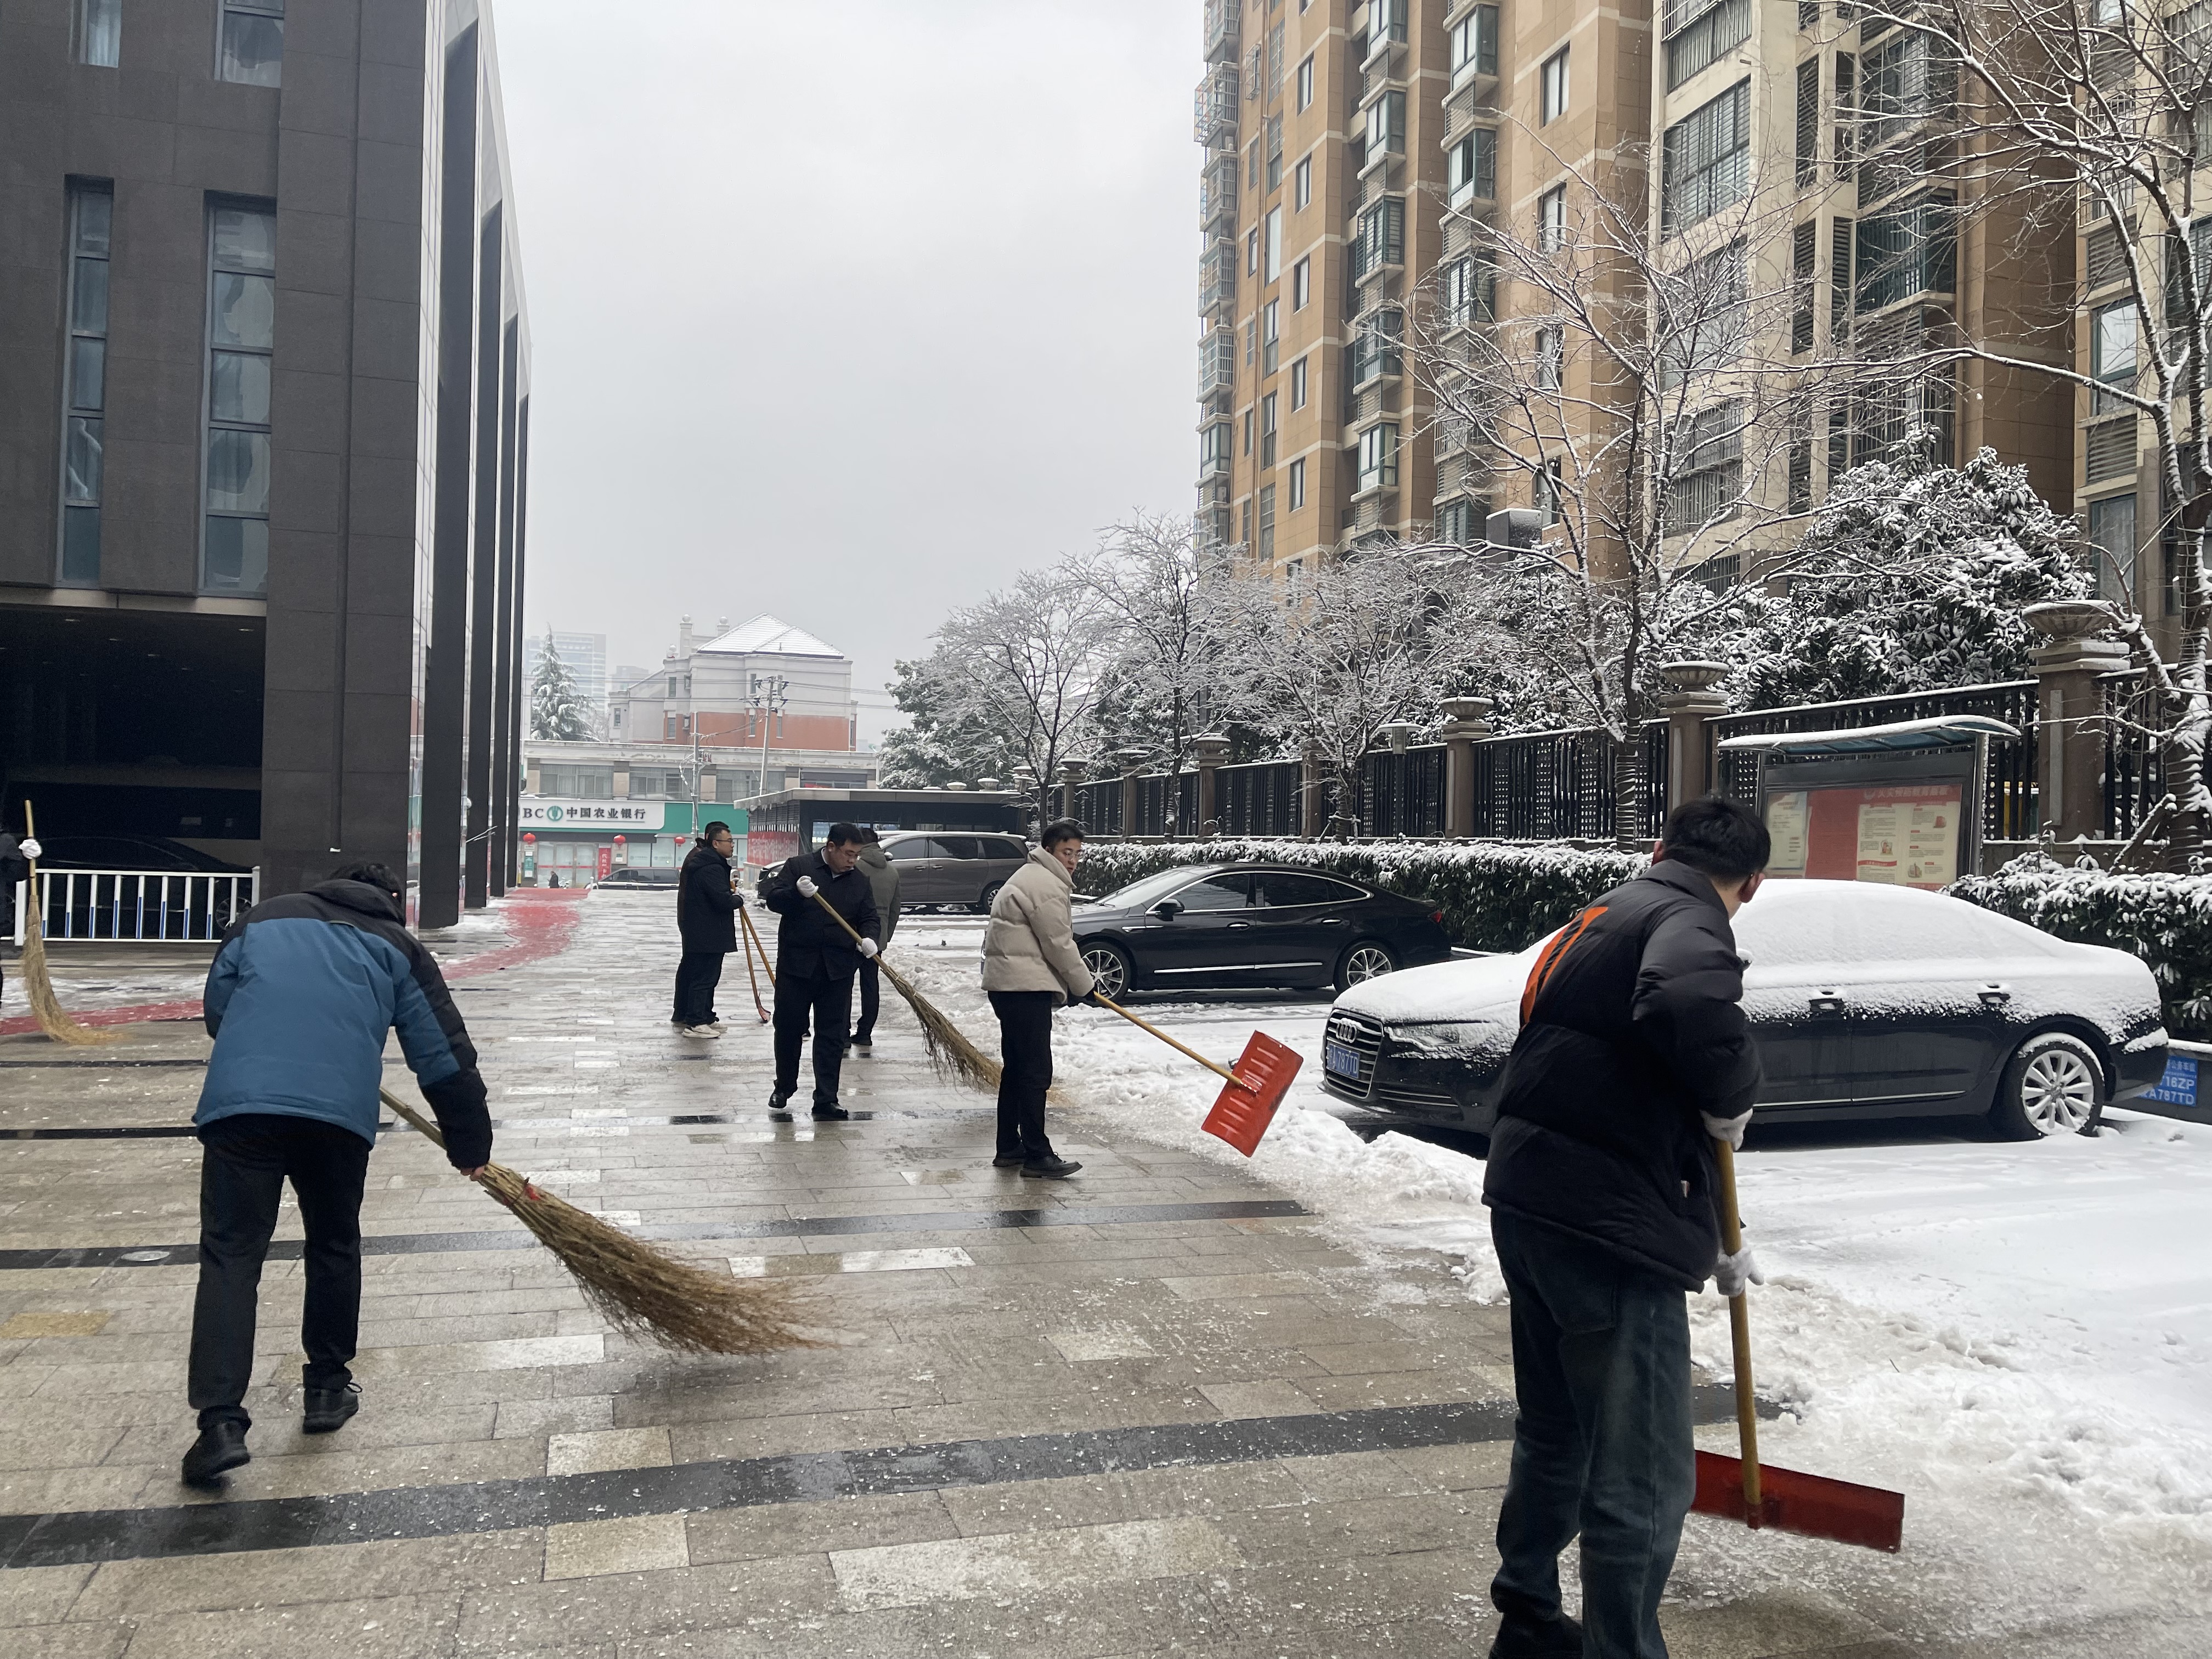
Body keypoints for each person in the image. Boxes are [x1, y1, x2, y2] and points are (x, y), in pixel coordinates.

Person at [1479, 795, 1768, 1659]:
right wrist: (1731, 1095)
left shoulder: (1606, 912)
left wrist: (1712, 1220)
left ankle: (1529, 1614)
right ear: (1753, 884)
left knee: (1558, 1427)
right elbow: (1684, 998)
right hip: (1603, 1227)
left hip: (1530, 1196)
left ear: (1659, 848)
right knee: (1642, 1473)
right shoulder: (1692, 917)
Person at [181, 859, 491, 1487]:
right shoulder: (397, 946)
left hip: (242, 1111)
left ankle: (219, 1425)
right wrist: (469, 1143)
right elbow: (441, 1054)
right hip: (336, 1120)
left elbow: (218, 1009)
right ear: (393, 899)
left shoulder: (260, 921)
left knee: (231, 1255)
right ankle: (326, 1389)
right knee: (332, 1243)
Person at [979, 819, 1098, 1179]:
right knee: (1035, 1071)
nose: (1073, 860)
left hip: (1010, 987)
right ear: (1049, 850)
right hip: (1023, 988)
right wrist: (1084, 985)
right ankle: (1037, 1155)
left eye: (1077, 853)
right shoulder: (1045, 884)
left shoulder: (1030, 876)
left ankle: (1009, 1146)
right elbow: (1058, 942)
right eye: (1066, 852)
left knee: (1017, 1069)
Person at [758, 822, 879, 1119]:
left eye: (857, 855)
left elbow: (869, 916)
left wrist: (870, 938)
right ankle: (784, 1086)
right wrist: (796, 894)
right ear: (831, 847)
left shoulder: (859, 881)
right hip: (797, 967)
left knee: (832, 1035)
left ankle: (826, 1098)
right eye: (848, 854)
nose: (853, 860)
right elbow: (773, 900)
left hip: (837, 970)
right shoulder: (799, 867)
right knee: (788, 1029)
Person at [673, 821, 741, 1037]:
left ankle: (706, 1016)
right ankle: (696, 1022)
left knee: (708, 977)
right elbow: (721, 901)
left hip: (707, 931)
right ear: (715, 843)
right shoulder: (710, 867)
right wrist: (737, 899)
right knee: (703, 978)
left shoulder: (711, 863)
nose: (732, 845)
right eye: (729, 841)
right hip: (706, 932)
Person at [847, 827, 901, 1056]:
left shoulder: (855, 868)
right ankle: (865, 1032)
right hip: (877, 937)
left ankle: (842, 1034)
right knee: (870, 985)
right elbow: (895, 909)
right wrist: (885, 937)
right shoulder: (892, 872)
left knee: (844, 984)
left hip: (853, 933)